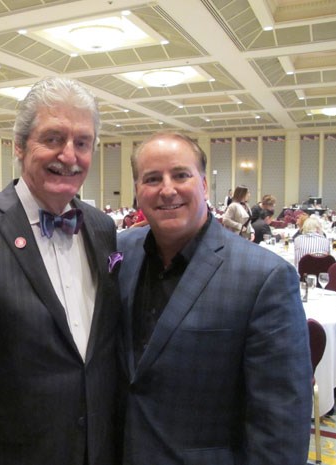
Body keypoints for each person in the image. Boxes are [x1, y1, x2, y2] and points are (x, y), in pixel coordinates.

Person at [0, 77, 121, 465]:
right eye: (52, 139)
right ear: (19, 146)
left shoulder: (103, 229)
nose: (69, 155)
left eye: (82, 143)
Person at [117, 131, 311, 465]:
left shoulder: (265, 276)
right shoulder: (121, 252)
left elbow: (281, 423)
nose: (167, 189)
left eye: (181, 175)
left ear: (204, 185)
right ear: (137, 191)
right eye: (152, 178)